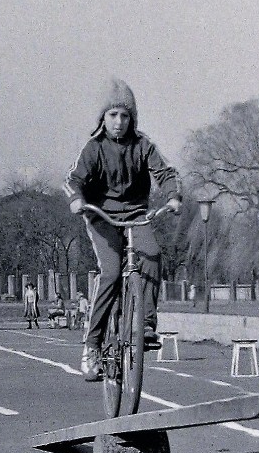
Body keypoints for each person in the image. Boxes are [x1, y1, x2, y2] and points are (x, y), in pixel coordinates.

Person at [64, 78, 181, 381]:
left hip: (136, 215)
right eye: (113, 115)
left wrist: (172, 195)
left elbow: (166, 172)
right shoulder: (94, 148)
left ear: (132, 119)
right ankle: (91, 346)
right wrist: (77, 199)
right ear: (103, 118)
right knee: (112, 273)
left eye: (125, 116)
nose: (119, 122)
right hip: (101, 217)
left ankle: (146, 325)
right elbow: (74, 180)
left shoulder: (143, 145)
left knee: (152, 255)